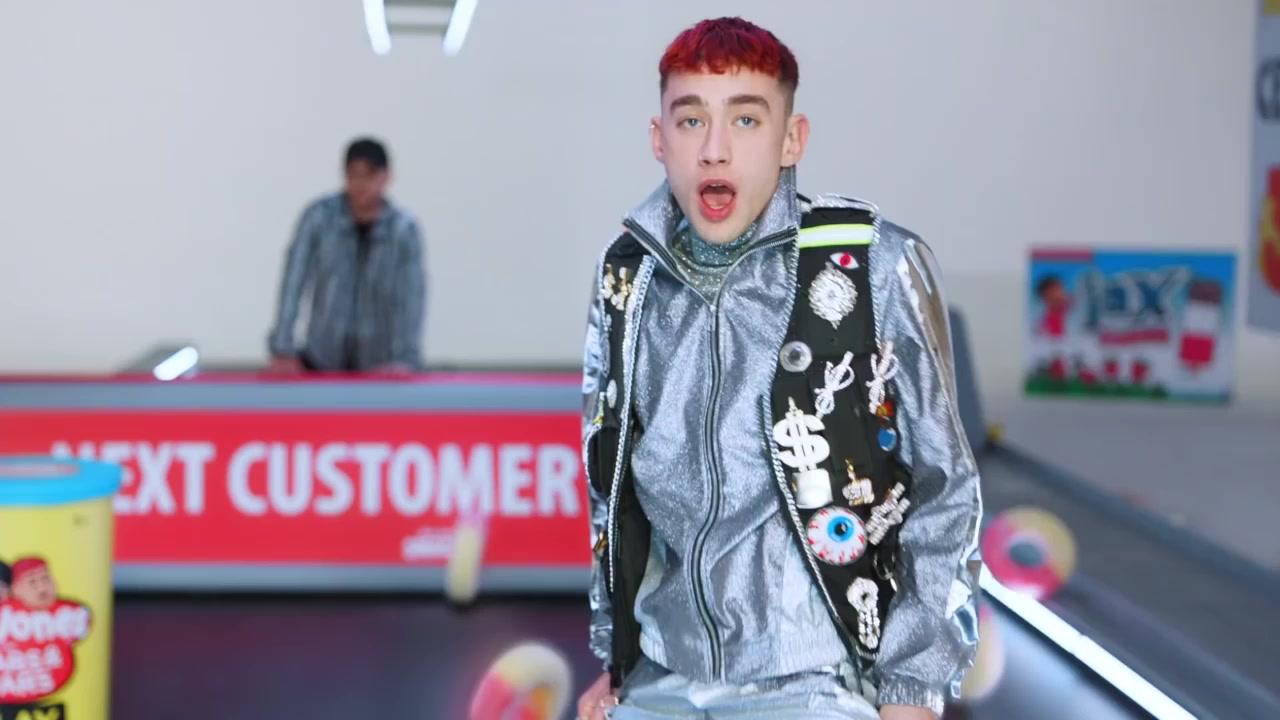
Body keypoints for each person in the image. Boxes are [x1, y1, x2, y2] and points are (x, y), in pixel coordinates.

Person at [577, 17, 982, 720]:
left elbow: (944, 490)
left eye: (745, 119)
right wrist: (617, 661)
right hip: (664, 672)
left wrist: (912, 689)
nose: (714, 148)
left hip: (819, 678)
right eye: (691, 120)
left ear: (791, 139)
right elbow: (612, 484)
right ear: (659, 139)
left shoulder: (872, 266)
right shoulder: (628, 277)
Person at [267, 138, 426, 374]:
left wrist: (406, 358)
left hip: (379, 361)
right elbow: (294, 281)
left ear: (386, 177)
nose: (361, 184)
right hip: (323, 354)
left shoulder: (403, 229)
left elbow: (411, 296)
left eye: (369, 175)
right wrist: (283, 347)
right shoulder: (320, 218)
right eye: (354, 175)